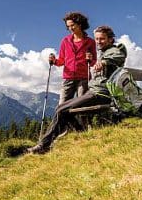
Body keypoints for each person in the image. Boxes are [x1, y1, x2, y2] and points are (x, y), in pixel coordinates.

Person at [28, 25, 127, 155]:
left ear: (110, 39)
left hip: (101, 93)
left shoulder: (114, 50)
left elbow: (119, 56)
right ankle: (80, 133)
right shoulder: (103, 51)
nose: (98, 42)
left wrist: (103, 63)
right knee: (64, 109)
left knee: (61, 109)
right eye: (97, 39)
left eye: (102, 39)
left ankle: (44, 145)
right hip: (94, 91)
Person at [49, 12, 97, 104]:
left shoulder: (90, 42)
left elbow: (93, 62)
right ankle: (62, 119)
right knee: (62, 105)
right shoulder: (65, 41)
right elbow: (62, 61)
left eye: (72, 25)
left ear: (80, 24)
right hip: (68, 78)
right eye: (68, 26)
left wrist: (90, 59)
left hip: (83, 79)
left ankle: (83, 119)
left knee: (82, 106)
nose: (70, 28)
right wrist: (54, 61)